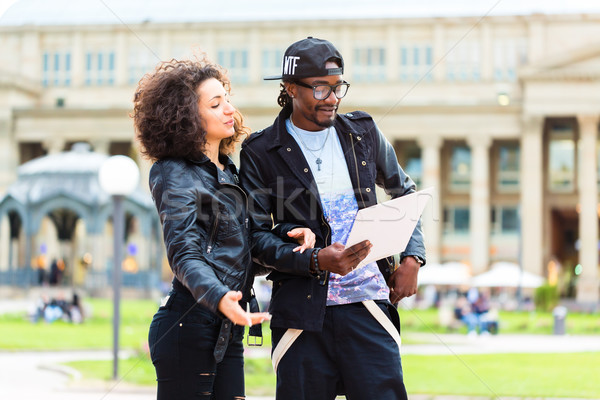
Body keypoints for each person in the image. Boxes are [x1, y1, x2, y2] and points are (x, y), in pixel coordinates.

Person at [240, 37, 426, 400]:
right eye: (321, 88)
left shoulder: (364, 133)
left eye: (338, 86)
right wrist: (315, 260)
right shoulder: (261, 151)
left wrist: (413, 257)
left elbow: (404, 192)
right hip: (301, 317)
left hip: (368, 306)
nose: (333, 98)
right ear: (290, 88)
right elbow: (256, 238)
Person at [133, 56, 315, 400]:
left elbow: (241, 253)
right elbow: (184, 253)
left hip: (228, 328)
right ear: (187, 116)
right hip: (189, 325)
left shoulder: (229, 172)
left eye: (227, 99)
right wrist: (218, 297)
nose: (229, 109)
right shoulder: (173, 172)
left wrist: (289, 236)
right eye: (216, 104)